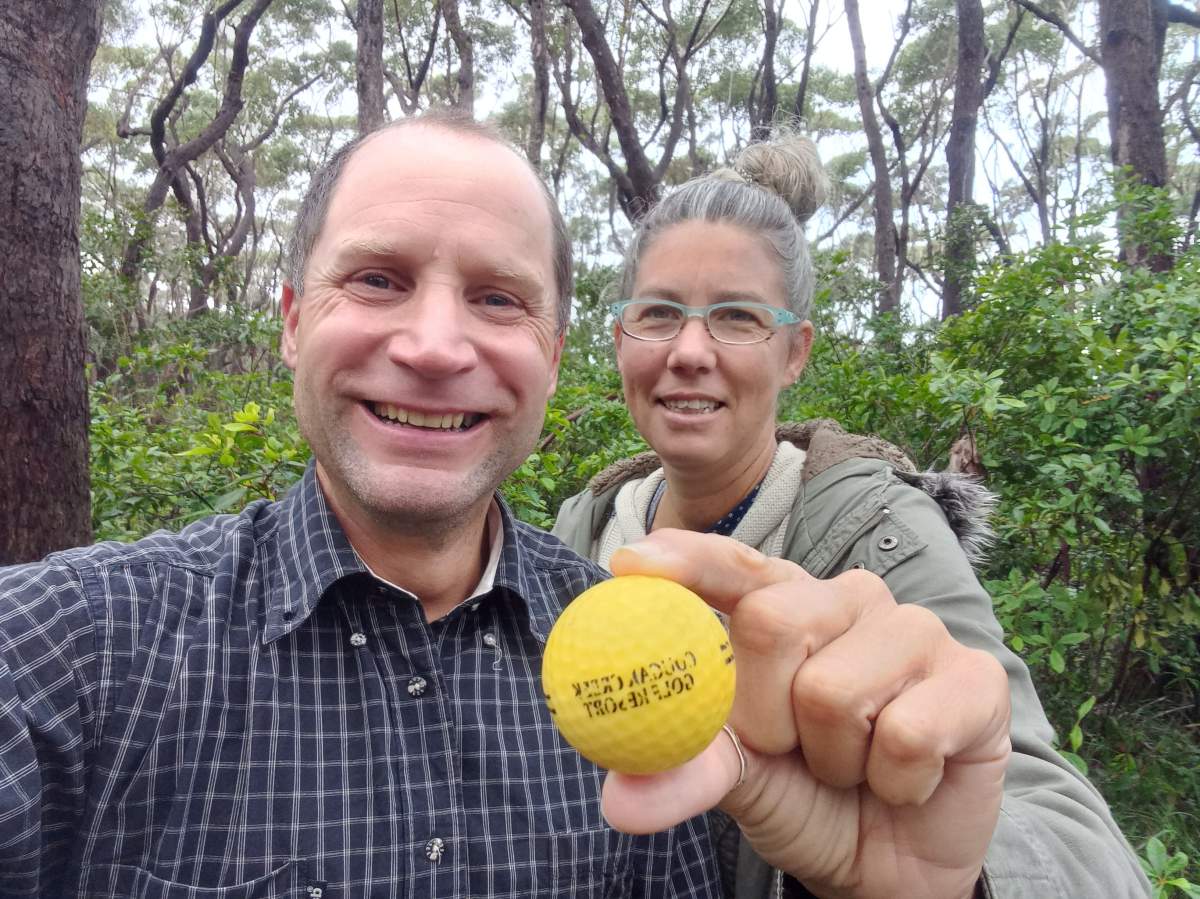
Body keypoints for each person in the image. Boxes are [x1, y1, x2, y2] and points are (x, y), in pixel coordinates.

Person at [0, 113, 721, 897]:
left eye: (498, 297)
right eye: (377, 279)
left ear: (550, 359)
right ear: (293, 321)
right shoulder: (77, 647)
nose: (435, 347)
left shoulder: (654, 673)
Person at [552, 133, 1151, 898]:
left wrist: (960, 881)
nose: (690, 350)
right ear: (621, 340)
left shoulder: (879, 532)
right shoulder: (582, 527)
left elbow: (1074, 835)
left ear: (795, 352)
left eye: (737, 317)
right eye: (660, 313)